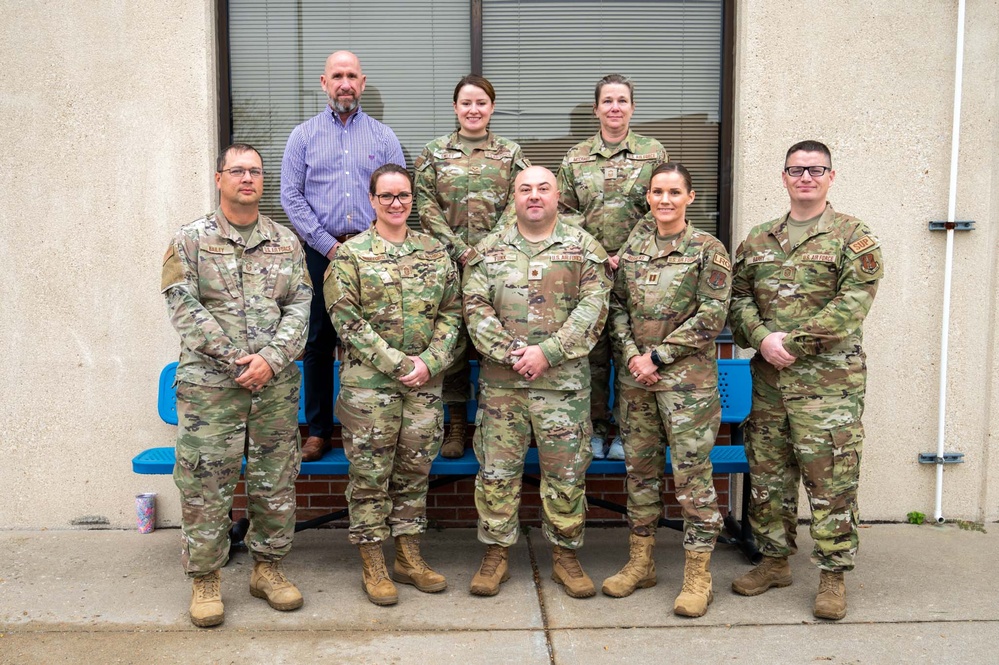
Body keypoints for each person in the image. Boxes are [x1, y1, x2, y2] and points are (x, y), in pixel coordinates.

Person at [728, 140, 884, 621]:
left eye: (816, 170)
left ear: (831, 177)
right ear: (784, 176)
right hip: (770, 384)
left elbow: (852, 305)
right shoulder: (757, 240)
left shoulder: (853, 237)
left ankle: (833, 575)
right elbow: (736, 301)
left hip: (827, 387)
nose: (806, 178)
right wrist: (760, 336)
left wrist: (789, 343)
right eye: (796, 170)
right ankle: (774, 562)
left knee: (831, 481)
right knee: (769, 478)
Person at [161, 143, 312, 627]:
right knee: (206, 481)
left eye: (255, 172)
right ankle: (205, 578)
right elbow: (183, 307)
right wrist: (235, 360)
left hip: (275, 386)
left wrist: (269, 360)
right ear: (219, 177)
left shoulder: (286, 243)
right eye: (238, 171)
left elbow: (301, 306)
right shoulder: (190, 239)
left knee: (275, 479)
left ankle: (268, 569)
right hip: (210, 387)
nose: (247, 178)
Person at [463, 166, 611, 599]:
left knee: (566, 474)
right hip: (502, 386)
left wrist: (546, 353)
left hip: (562, 388)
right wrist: (514, 354)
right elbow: (474, 308)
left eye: (543, 188)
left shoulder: (583, 248)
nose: (534, 196)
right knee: (496, 472)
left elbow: (593, 309)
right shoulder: (489, 250)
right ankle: (495, 555)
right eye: (525, 188)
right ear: (513, 196)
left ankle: (565, 556)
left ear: (557, 195)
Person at [324, 164, 462, 606]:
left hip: (424, 385)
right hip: (370, 388)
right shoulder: (351, 256)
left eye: (403, 195)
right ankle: (372, 560)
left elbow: (454, 314)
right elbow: (346, 320)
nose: (396, 203)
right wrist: (399, 363)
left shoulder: (434, 253)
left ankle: (407, 555)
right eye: (386, 196)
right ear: (372, 201)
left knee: (414, 472)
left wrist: (430, 362)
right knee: (369, 475)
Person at [604, 163, 730, 617]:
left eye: (674, 192)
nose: (664, 200)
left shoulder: (707, 250)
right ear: (648, 198)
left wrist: (657, 358)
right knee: (639, 473)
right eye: (657, 192)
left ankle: (698, 575)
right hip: (637, 383)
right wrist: (636, 356)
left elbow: (711, 316)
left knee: (692, 478)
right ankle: (641, 562)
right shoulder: (634, 251)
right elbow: (616, 308)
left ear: (690, 198)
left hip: (686, 388)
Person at [281, 50, 406, 462]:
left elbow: (397, 195)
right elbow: (291, 197)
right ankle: (318, 430)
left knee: (376, 337)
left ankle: (372, 423)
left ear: (363, 83)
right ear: (324, 82)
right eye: (337, 76)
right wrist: (328, 245)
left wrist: (376, 243)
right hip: (322, 251)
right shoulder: (303, 136)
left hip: (373, 252)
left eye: (352, 75)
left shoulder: (384, 137)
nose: (345, 83)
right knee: (318, 340)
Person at [416, 74, 530, 459]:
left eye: (481, 103)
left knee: (496, 338)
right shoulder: (433, 154)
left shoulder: (511, 154)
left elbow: (521, 203)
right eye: (466, 103)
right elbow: (425, 206)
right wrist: (459, 248)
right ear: (455, 108)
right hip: (447, 266)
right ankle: (456, 424)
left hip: (498, 265)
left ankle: (496, 423)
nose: (473, 110)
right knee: (453, 342)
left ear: (492, 107)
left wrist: (483, 249)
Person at [556, 74, 669, 461]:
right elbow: (564, 213)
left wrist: (628, 251)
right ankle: (595, 429)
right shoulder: (575, 157)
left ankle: (625, 431)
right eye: (607, 101)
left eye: (622, 100)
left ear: (632, 108)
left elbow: (662, 206)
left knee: (631, 350)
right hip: (589, 271)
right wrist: (598, 253)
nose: (615, 107)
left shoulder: (653, 154)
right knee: (592, 354)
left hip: (641, 271)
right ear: (596, 109)